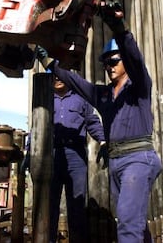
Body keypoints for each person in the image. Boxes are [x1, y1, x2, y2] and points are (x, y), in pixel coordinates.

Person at [36, 0, 162, 242]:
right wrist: (49, 63)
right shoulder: (104, 95)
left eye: (113, 61)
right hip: (116, 161)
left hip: (138, 158)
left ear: (124, 61)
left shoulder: (139, 88)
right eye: (105, 63)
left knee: (127, 223)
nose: (108, 67)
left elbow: (135, 60)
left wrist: (119, 28)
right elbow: (75, 82)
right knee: (134, 222)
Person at [50, 76, 106, 243]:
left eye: (61, 76)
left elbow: (92, 122)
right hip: (52, 155)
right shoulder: (45, 99)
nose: (57, 79)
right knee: (49, 204)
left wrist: (103, 141)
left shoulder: (81, 98)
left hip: (75, 155)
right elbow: (36, 126)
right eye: (54, 76)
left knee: (77, 203)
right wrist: (30, 150)